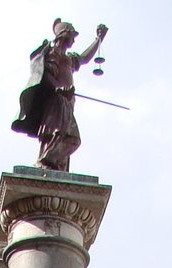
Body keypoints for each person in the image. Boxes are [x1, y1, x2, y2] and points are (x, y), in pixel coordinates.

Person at [11, 20, 109, 172]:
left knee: (64, 137)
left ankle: (53, 165)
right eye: (72, 35)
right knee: (64, 136)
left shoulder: (68, 58)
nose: (74, 40)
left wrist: (98, 40)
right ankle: (46, 161)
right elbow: (45, 75)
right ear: (64, 35)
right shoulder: (53, 53)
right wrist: (59, 88)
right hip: (56, 101)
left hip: (67, 101)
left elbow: (84, 58)